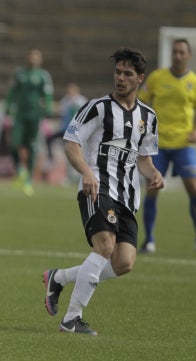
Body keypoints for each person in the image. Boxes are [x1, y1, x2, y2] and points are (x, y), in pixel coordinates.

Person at [42, 48, 164, 335]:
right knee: (105, 247)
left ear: (140, 79)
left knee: (123, 263)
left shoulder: (148, 116)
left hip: (128, 197)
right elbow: (71, 143)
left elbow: (143, 159)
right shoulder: (97, 107)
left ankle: (59, 278)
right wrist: (86, 173)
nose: (120, 78)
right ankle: (72, 319)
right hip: (97, 188)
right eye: (118, 73)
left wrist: (155, 174)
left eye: (127, 74)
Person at [137, 38, 196, 254]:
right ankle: (149, 240)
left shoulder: (193, 81)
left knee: (193, 189)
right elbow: (141, 101)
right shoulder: (157, 77)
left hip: (183, 144)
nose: (178, 55)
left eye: (182, 52)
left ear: (188, 55)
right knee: (152, 188)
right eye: (175, 52)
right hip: (157, 144)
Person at [4, 48, 54, 196]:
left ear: (40, 60)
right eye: (31, 56)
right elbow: (12, 92)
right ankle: (20, 169)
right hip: (20, 115)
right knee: (14, 143)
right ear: (27, 58)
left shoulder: (43, 76)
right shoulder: (20, 74)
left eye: (36, 56)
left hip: (35, 115)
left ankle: (28, 180)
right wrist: (8, 106)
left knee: (32, 146)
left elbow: (48, 94)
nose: (33, 59)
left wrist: (48, 108)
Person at [44, 82, 87, 184]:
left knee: (76, 154)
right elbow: (59, 107)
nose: (69, 92)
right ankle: (51, 160)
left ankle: (77, 176)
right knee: (50, 139)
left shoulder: (81, 101)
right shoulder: (66, 100)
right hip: (65, 131)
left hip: (77, 132)